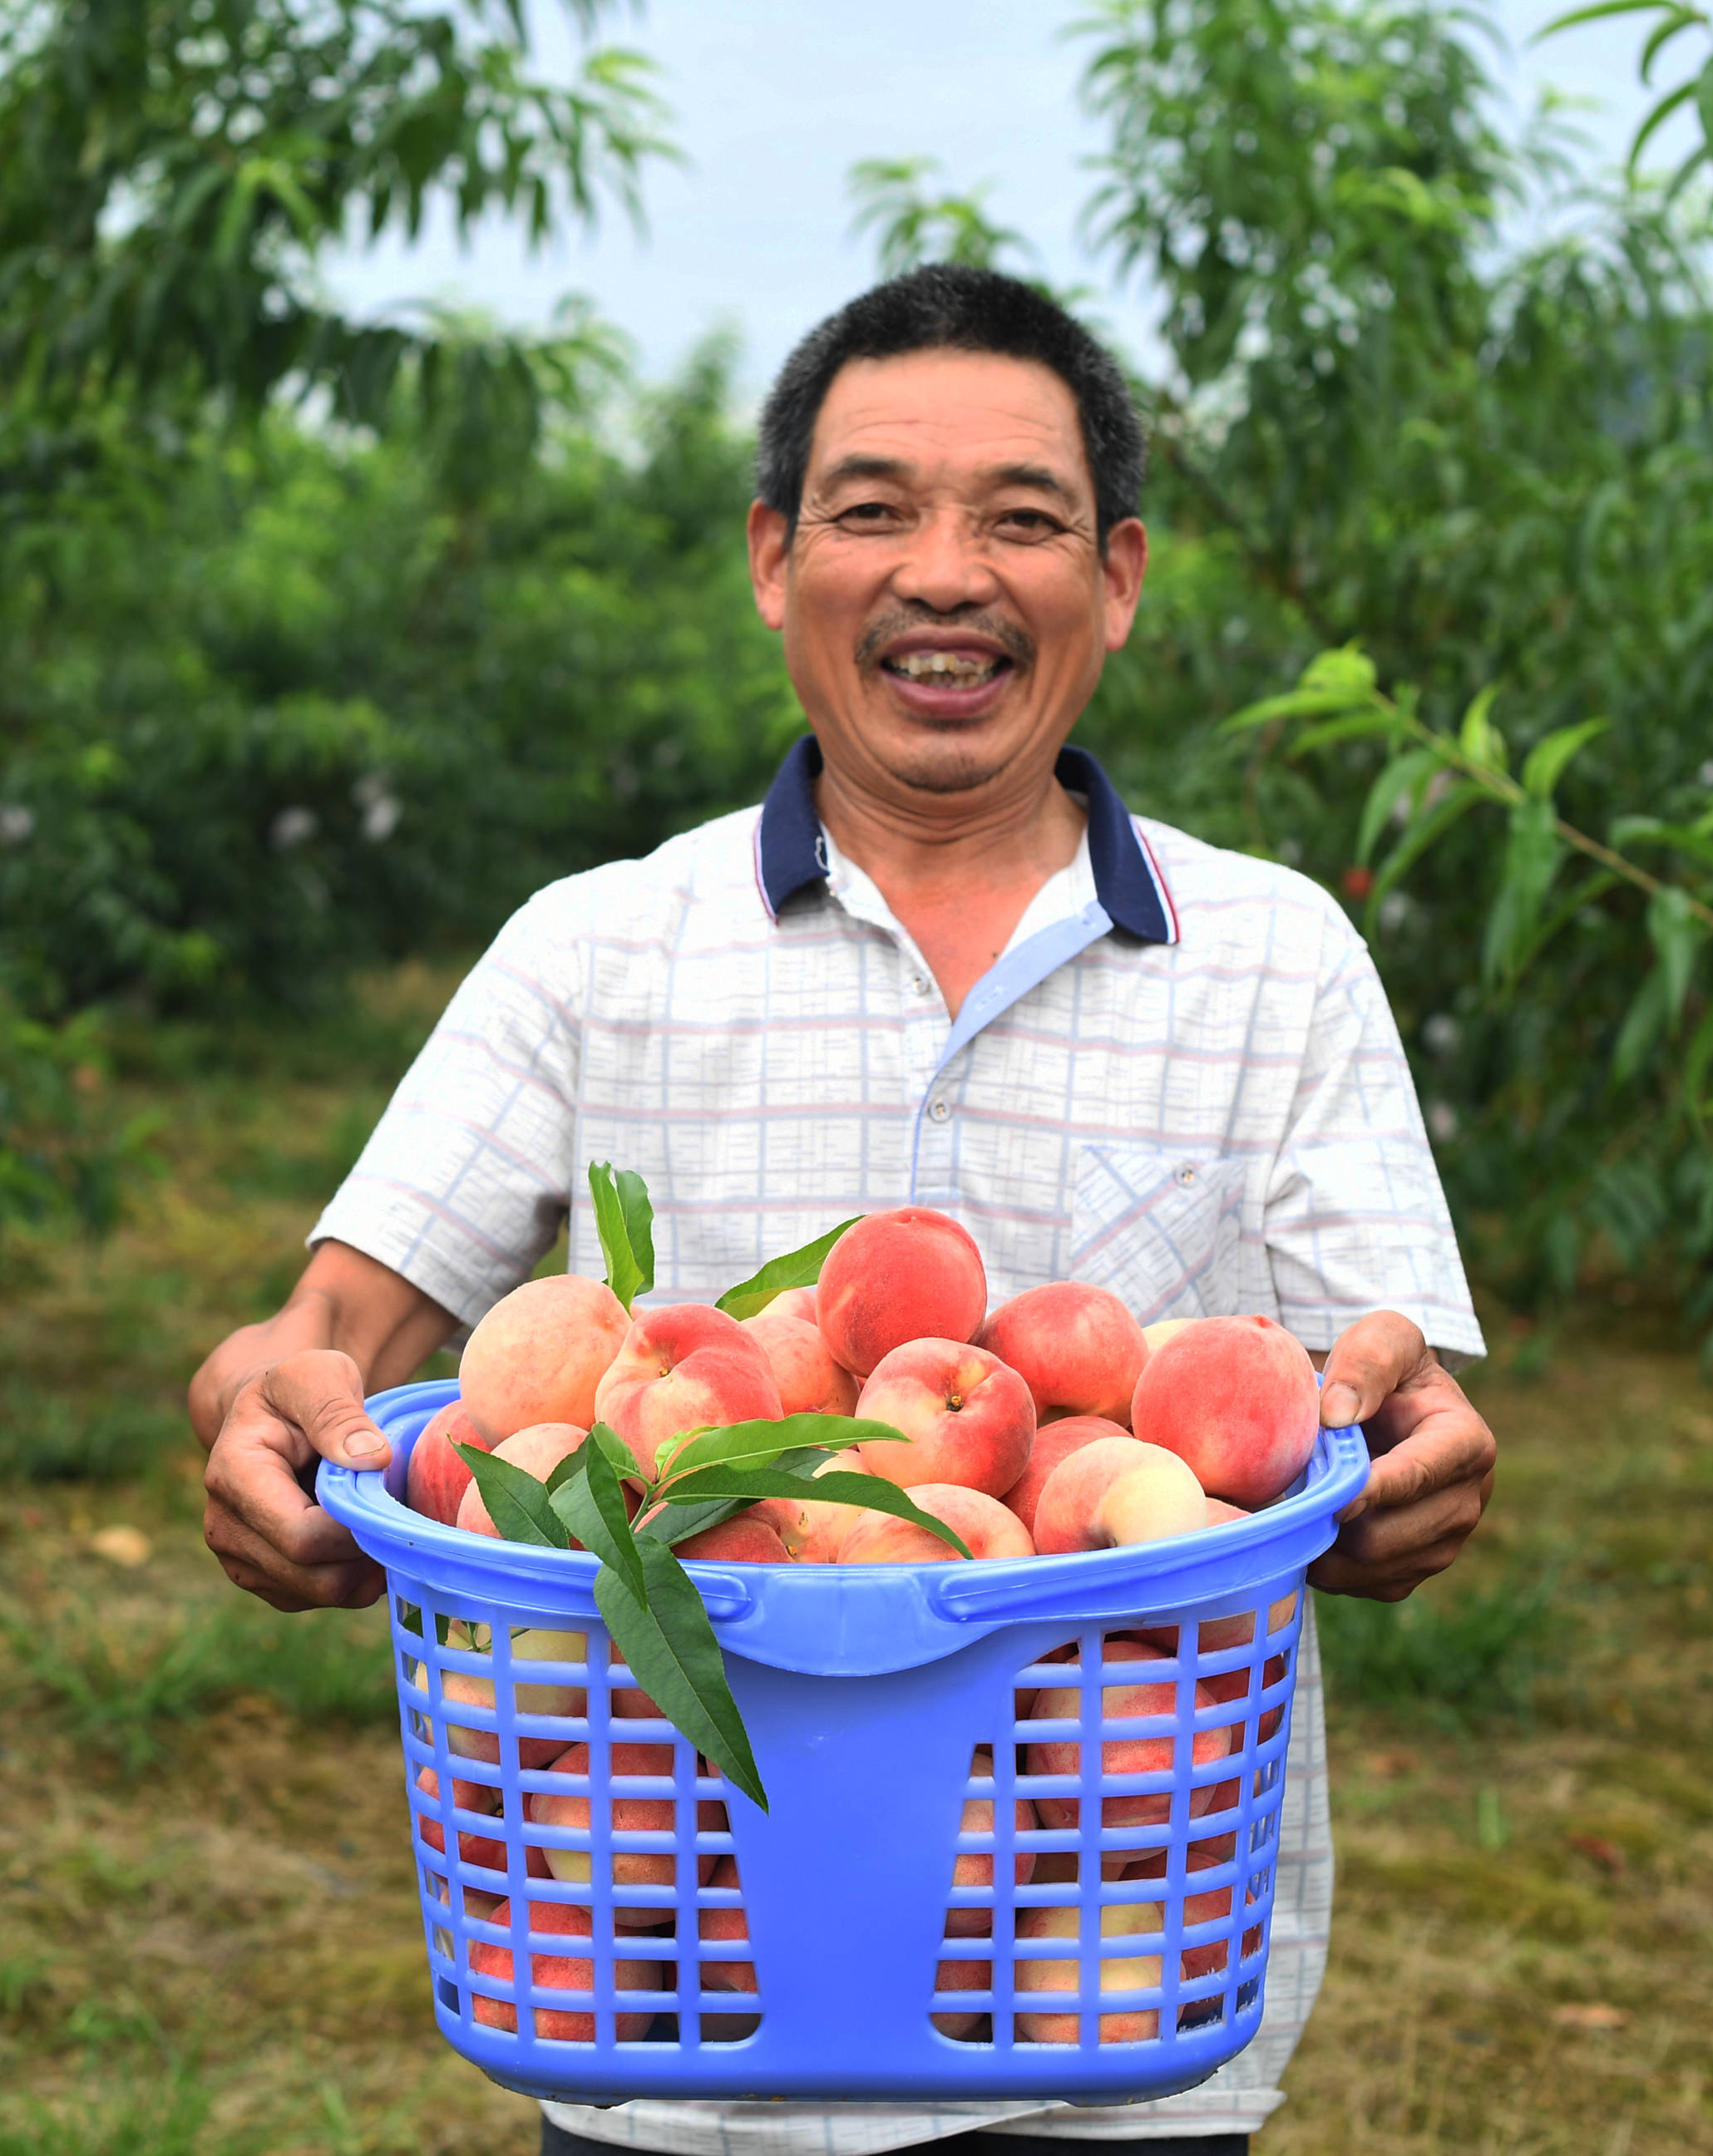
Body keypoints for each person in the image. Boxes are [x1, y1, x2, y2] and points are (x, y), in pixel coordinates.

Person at [189, 264, 1498, 2156]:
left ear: (1116, 579)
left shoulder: (1274, 959)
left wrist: (1406, 1457)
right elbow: (311, 1347)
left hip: (1110, 1982)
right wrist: (257, 1422)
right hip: (672, 1989)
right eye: (873, 508)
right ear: (770, 558)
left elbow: (1382, 1388)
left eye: (1021, 519)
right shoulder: (597, 947)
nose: (944, 571)